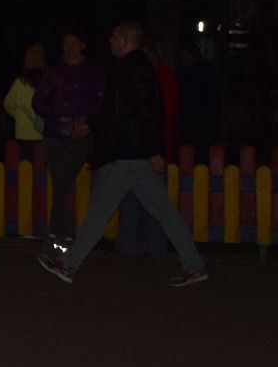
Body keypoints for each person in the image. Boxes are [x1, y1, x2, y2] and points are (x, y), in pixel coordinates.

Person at [36, 22, 208, 287]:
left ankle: (68, 265)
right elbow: (119, 110)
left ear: (126, 41)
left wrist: (152, 149)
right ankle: (194, 265)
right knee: (164, 212)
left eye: (114, 37)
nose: (110, 40)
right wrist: (92, 125)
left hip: (123, 154)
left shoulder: (131, 70)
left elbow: (147, 113)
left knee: (98, 213)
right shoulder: (135, 69)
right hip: (133, 155)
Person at [32, 30, 105, 249]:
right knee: (60, 184)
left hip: (81, 137)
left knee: (63, 181)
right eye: (65, 43)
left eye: (74, 43)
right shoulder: (53, 73)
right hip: (55, 136)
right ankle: (62, 235)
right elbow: (38, 102)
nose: (69, 47)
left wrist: (86, 124)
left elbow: (101, 104)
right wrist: (57, 114)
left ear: (83, 45)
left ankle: (56, 232)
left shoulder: (93, 73)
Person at [116, 35, 179, 259]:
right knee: (136, 198)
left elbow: (164, 115)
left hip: (149, 147)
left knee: (151, 200)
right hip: (139, 146)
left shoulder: (160, 75)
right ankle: (136, 245)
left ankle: (149, 246)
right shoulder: (147, 74)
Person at [2, 44, 47, 145]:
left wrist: (19, 115)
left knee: (27, 160)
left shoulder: (20, 83)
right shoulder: (47, 82)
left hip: (26, 135)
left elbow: (8, 104)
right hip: (43, 135)